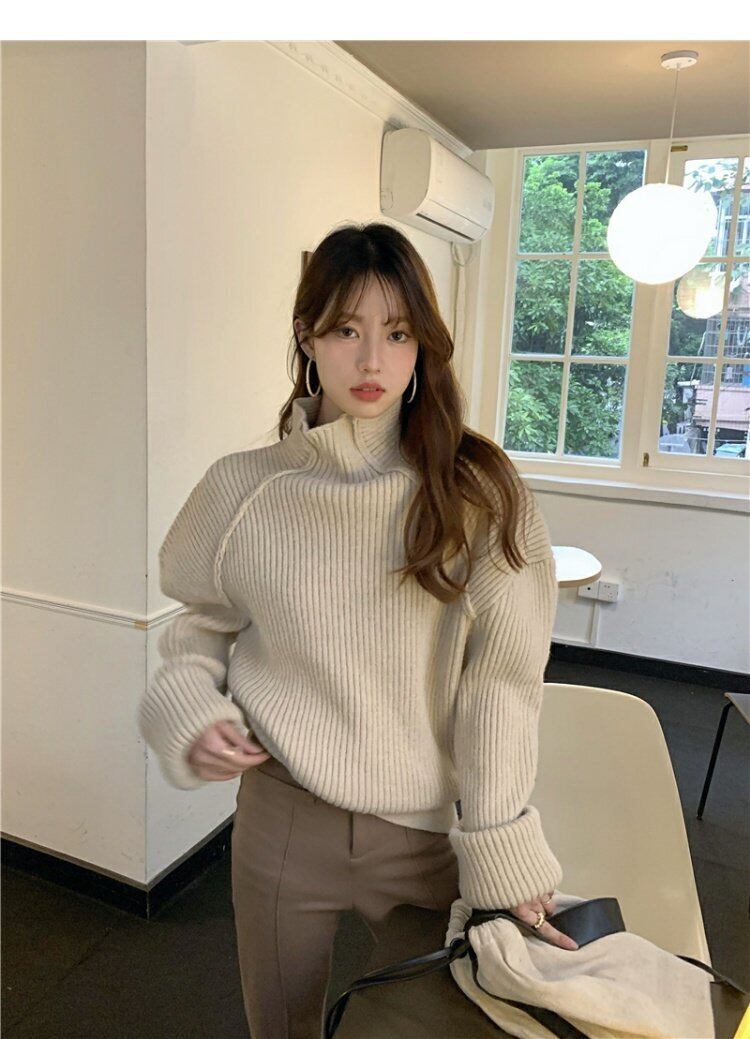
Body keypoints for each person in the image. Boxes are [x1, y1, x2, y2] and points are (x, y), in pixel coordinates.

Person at [138, 221, 577, 1039]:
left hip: (427, 830)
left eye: (398, 333)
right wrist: (191, 709)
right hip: (283, 815)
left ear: (423, 346)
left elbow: (502, 683)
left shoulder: (478, 490)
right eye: (347, 329)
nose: (372, 360)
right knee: (280, 1028)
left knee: (435, 1025)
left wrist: (502, 846)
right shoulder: (241, 489)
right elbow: (199, 627)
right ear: (308, 337)